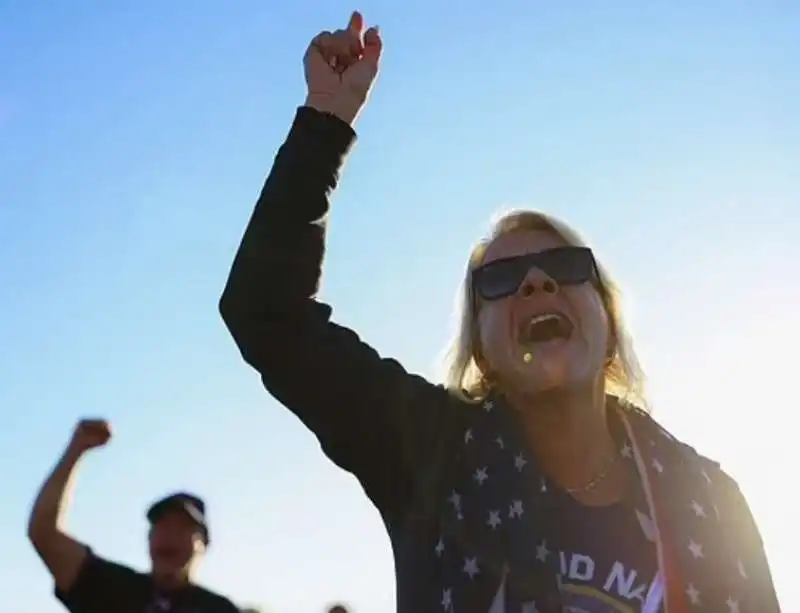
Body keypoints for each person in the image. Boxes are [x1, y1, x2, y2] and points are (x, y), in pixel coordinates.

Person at [218, 11, 781, 613]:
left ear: (609, 323)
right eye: (502, 279)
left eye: (566, 267)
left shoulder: (712, 503)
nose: (537, 283)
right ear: (481, 347)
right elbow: (267, 311)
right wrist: (325, 123)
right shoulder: (427, 449)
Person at [27, 418, 239, 613]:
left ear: (204, 544)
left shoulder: (219, 610)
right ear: (148, 539)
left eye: (183, 528)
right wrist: (76, 449)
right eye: (161, 527)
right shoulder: (113, 589)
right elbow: (44, 534)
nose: (169, 535)